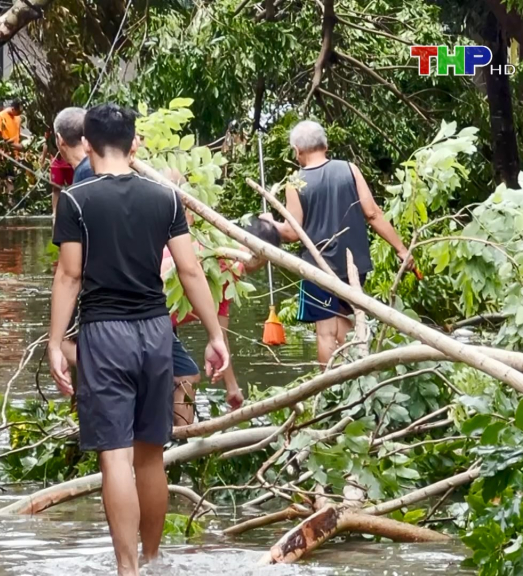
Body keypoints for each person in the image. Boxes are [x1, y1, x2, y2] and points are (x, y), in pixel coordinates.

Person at [48, 104, 229, 576]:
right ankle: (153, 561)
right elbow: (190, 271)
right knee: (152, 455)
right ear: (135, 145)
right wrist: (214, 334)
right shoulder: (165, 198)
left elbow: (69, 276)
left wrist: (53, 343)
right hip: (156, 330)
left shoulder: (75, 201)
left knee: (115, 457)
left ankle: (127, 570)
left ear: (86, 145)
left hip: (104, 334)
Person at [261, 120, 411, 366]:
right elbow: (373, 213)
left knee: (326, 333)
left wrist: (269, 223)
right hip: (353, 267)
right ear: (326, 145)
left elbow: (292, 232)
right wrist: (401, 249)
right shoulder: (350, 169)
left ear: (297, 150)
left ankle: (329, 390)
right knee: (345, 329)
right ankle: (349, 384)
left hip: (318, 270)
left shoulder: (295, 182)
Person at [163, 217, 282, 426]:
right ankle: (182, 440)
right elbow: (220, 335)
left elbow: (218, 334)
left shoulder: (211, 242)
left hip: (153, 318)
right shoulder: (227, 263)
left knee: (176, 375)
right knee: (187, 376)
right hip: (152, 314)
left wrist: (232, 387)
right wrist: (232, 387)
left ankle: (176, 438)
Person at [0, 99, 23, 196]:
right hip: (2, 154)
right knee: (1, 180)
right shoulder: (0, 117)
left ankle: (10, 200)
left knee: (12, 179)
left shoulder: (18, 118)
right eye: (18, 112)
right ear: (13, 109)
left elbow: (17, 134)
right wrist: (15, 146)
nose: (19, 115)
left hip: (15, 155)